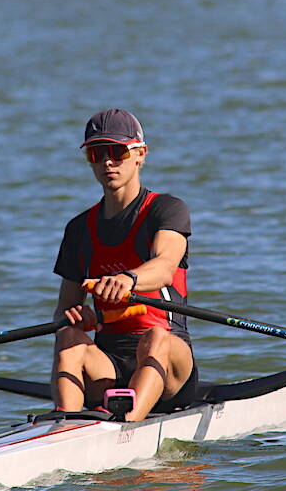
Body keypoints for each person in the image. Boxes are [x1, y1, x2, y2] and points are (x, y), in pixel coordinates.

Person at [51, 108, 197, 422]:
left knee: (155, 337)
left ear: (140, 154)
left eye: (117, 152)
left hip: (169, 362)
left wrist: (128, 279)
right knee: (67, 337)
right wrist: (74, 318)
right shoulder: (78, 229)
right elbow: (63, 310)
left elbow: (165, 266)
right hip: (107, 365)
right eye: (96, 153)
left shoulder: (167, 210)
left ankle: (127, 426)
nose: (107, 162)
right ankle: (63, 423)